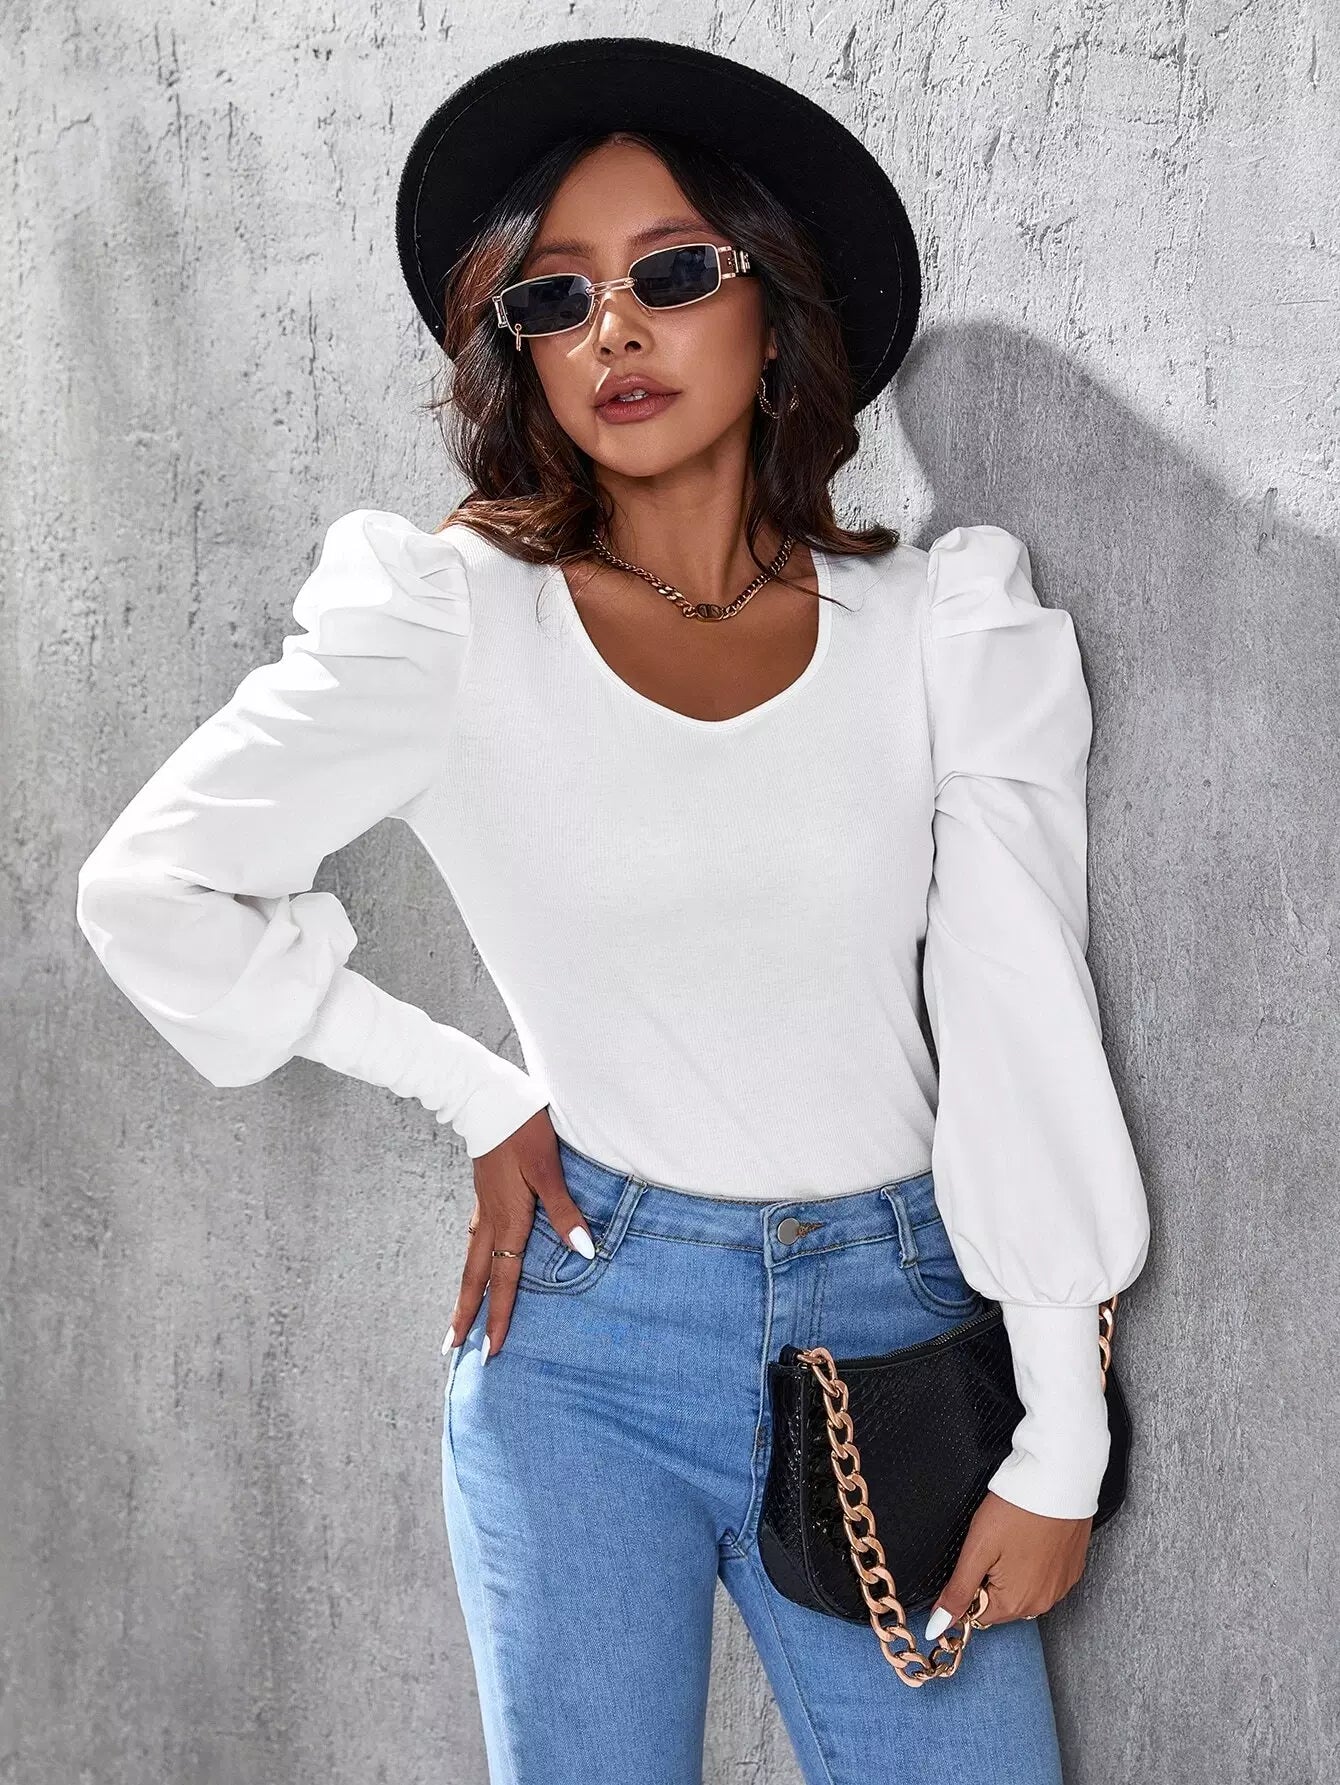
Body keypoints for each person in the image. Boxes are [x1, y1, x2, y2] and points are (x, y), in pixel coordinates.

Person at [75, 36, 1151, 1785]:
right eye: (556, 298)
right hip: (581, 1345)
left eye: (670, 275)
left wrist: (1061, 1436)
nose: (611, 332)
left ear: (774, 307)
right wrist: (471, 1086)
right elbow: (152, 881)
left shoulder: (944, 630)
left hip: (893, 1326)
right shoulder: (449, 620)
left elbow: (1020, 1004)